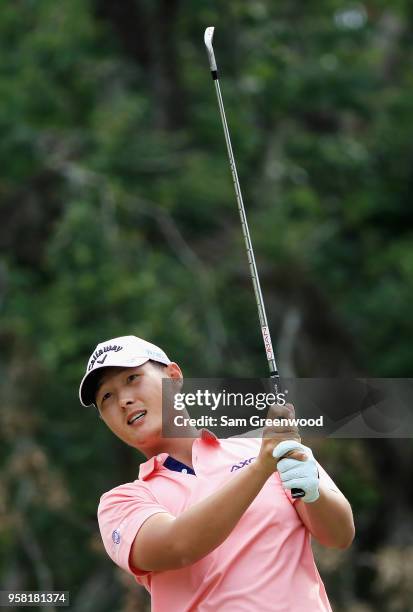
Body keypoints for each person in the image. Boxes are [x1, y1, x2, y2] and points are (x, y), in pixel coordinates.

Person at [79, 335, 355, 612]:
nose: (124, 400)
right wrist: (260, 469)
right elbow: (179, 546)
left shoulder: (262, 446)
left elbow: (339, 535)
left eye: (132, 378)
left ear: (173, 376)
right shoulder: (120, 503)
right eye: (107, 397)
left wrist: (313, 492)